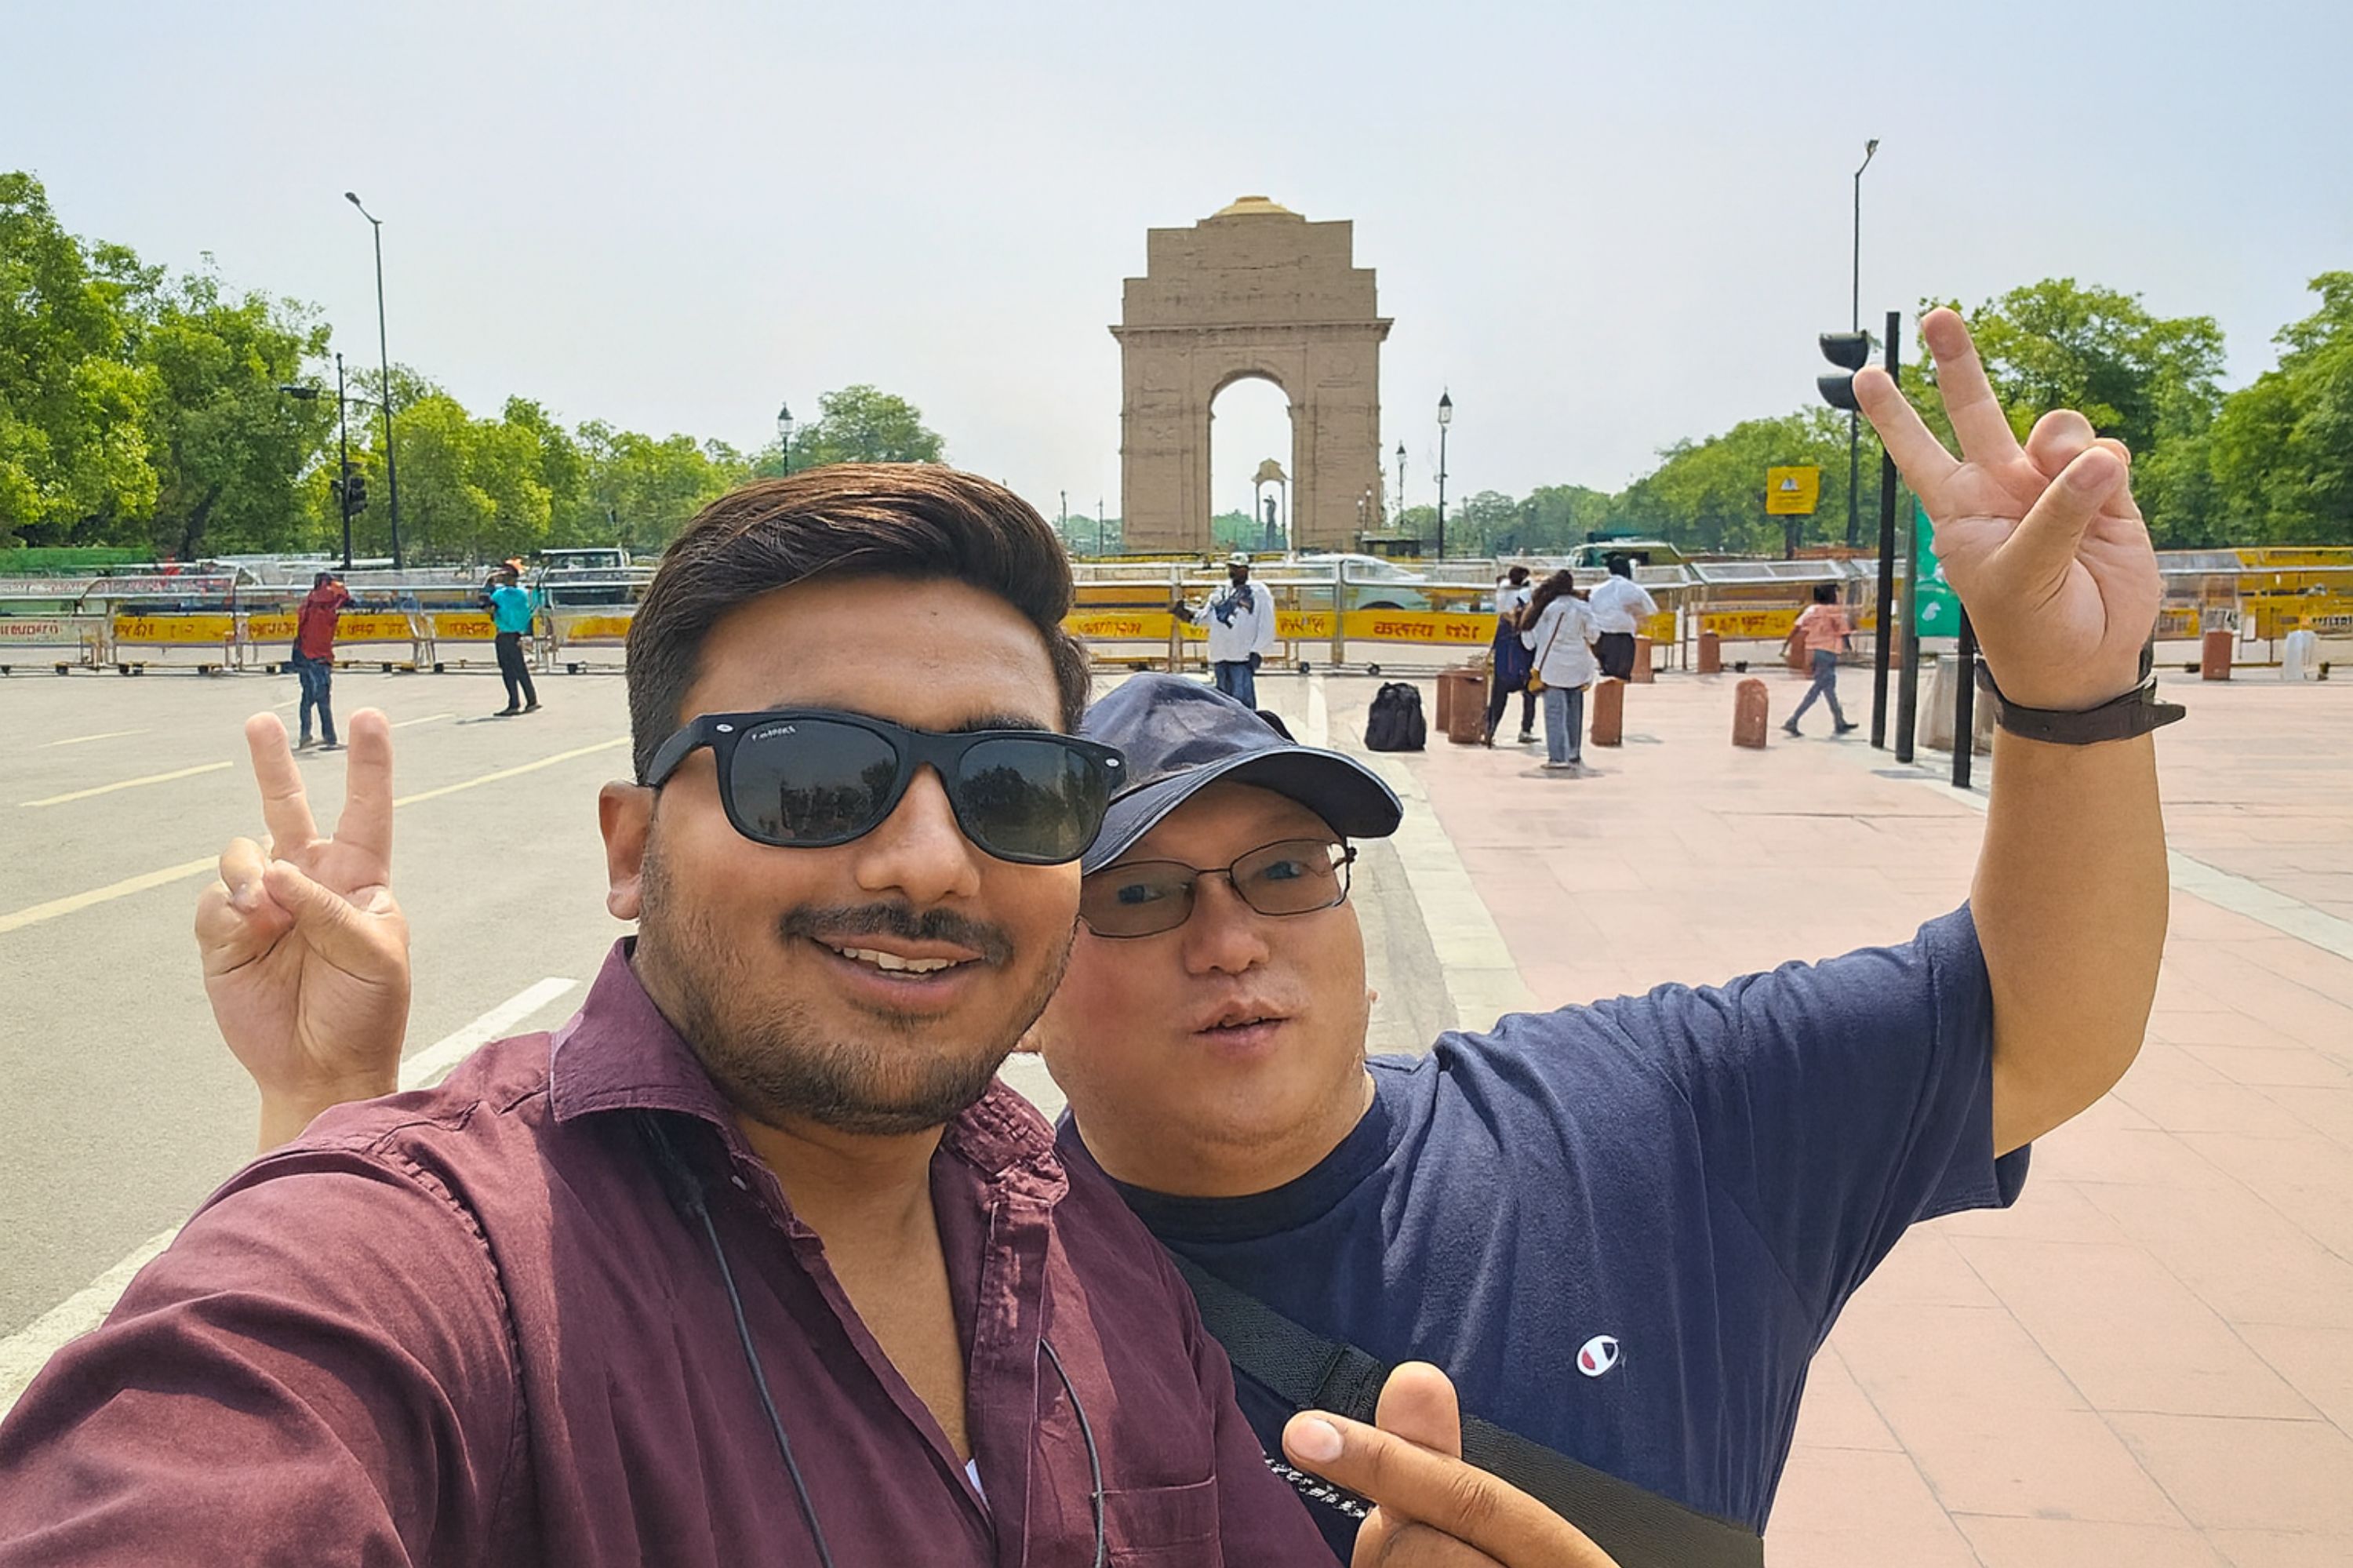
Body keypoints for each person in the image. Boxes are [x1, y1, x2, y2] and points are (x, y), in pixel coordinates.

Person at [174, 312, 2177, 1565]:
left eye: (1285, 871)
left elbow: (2039, 1024)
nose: (1233, 937)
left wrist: (2072, 704)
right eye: (1139, 886)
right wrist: (323, 1129)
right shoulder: (1014, 1271)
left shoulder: (1631, 1119)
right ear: (1043, 965)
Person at [2, 467, 1609, 1568]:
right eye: (814, 776)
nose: (929, 861)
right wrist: (320, 1119)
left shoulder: (1094, 1250)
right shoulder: (430, 1275)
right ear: (631, 848)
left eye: (1015, 786)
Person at [1520, 568, 1598, 773]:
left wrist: (1537, 667)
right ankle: (1573, 752)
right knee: (1574, 711)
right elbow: (1594, 635)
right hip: (1579, 665)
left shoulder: (1550, 608)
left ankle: (1558, 757)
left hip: (1553, 666)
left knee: (1555, 712)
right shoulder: (1583, 607)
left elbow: (1536, 640)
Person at [1176, 551, 1275, 708]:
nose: (1235, 571)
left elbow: (1267, 623)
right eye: (1232, 567)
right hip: (1220, 654)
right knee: (1223, 704)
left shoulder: (1259, 592)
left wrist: (1258, 650)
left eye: (1239, 568)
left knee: (1243, 706)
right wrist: (1188, 615)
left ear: (1246, 570)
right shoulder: (1221, 591)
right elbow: (1206, 617)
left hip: (1242, 657)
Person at [1781, 583, 1859, 737]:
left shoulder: (1811, 610)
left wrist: (1786, 644)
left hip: (1812, 651)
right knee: (1818, 688)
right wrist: (1849, 649)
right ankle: (1793, 720)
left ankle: (1839, 721)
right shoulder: (1835, 612)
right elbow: (1844, 632)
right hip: (1828, 652)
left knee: (1829, 689)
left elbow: (1797, 628)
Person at [290, 569, 351, 751]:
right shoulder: (329, 602)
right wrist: (337, 586)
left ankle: (305, 735)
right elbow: (347, 597)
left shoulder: (308, 603)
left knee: (307, 696)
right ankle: (330, 738)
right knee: (323, 697)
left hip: (303, 653)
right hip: (320, 656)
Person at [1482, 564, 1537, 746]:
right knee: (1529, 692)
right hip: (1522, 653)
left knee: (1498, 694)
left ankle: (1490, 729)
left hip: (1504, 654)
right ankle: (1526, 730)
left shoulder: (1502, 595)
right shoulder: (1524, 598)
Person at [1586, 557, 1659, 682]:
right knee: (1620, 677)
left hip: (1600, 636)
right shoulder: (1631, 588)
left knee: (1605, 675)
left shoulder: (1596, 589)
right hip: (1622, 636)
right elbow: (1650, 609)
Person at [489, 565, 542, 715]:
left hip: (508, 633)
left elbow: (493, 610)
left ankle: (518, 703)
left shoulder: (504, 595)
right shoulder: (520, 594)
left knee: (512, 669)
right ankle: (528, 700)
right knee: (516, 669)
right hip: (513, 633)